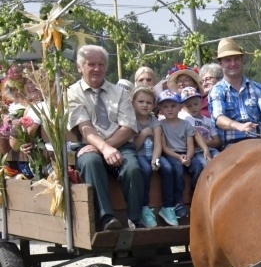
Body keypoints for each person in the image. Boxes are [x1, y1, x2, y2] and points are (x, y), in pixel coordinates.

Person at [68, 45, 144, 231]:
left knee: (133, 168)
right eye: (91, 64)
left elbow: (128, 128)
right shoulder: (72, 92)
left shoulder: (119, 92)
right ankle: (106, 218)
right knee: (91, 162)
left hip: (119, 145)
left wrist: (107, 147)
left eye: (101, 64)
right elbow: (85, 128)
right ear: (80, 67)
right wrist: (104, 149)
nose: (97, 69)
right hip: (88, 145)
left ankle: (135, 219)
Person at [208, 37, 261, 149]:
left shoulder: (258, 88)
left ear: (242, 60)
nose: (233, 63)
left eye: (236, 59)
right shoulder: (217, 90)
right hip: (231, 146)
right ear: (220, 64)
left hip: (259, 143)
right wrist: (240, 127)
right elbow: (219, 119)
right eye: (228, 60)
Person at [154, 89, 196, 224]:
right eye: (165, 107)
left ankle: (195, 199)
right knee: (177, 169)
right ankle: (178, 203)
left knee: (200, 166)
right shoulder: (160, 124)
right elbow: (164, 148)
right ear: (160, 109)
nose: (170, 110)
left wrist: (188, 157)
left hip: (185, 154)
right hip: (171, 154)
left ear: (180, 107)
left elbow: (190, 145)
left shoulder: (186, 124)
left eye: (173, 106)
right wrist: (179, 158)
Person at [131, 86, 160, 228]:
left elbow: (158, 144)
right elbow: (134, 147)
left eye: (149, 103)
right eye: (140, 101)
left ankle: (170, 207)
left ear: (154, 105)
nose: (144, 105)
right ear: (133, 103)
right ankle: (144, 206)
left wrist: (156, 159)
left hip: (153, 154)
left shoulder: (154, 121)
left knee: (168, 168)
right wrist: (144, 134)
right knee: (146, 170)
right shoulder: (131, 120)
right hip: (138, 154)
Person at [179, 86, 219, 179]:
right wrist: (205, 143)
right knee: (204, 164)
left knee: (221, 159)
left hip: (211, 149)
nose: (193, 107)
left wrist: (204, 143)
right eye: (189, 105)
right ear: (183, 107)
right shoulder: (186, 120)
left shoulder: (208, 121)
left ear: (201, 103)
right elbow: (191, 141)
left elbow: (217, 141)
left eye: (195, 104)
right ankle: (197, 188)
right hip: (196, 152)